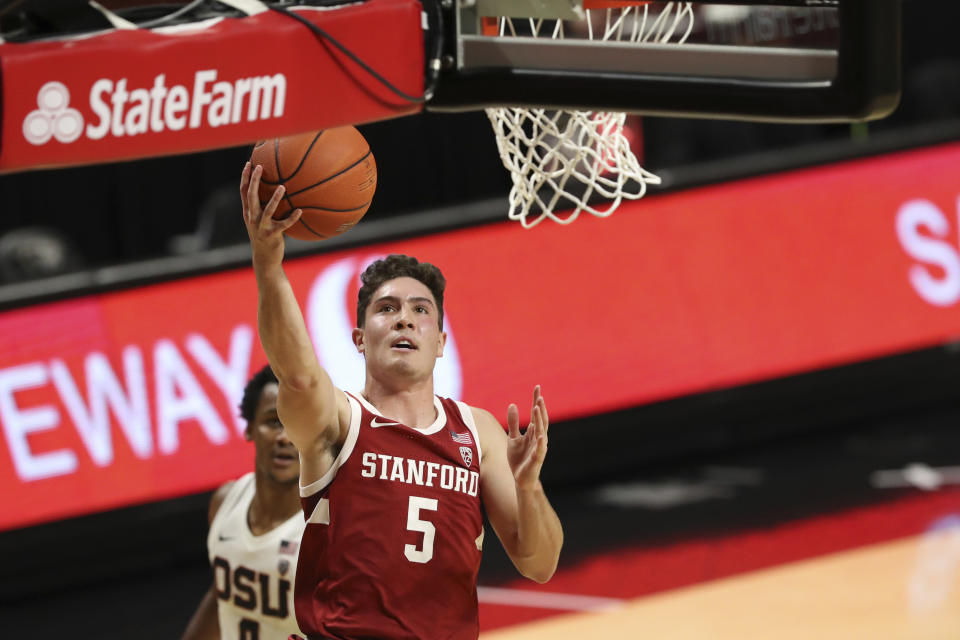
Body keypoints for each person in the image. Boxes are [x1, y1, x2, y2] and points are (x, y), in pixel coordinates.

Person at [240, 161, 564, 640]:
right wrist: (268, 264)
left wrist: (528, 486)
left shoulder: (477, 433)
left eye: (420, 311)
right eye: (386, 309)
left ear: (440, 341)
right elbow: (300, 376)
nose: (404, 320)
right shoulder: (340, 421)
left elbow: (540, 565)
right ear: (358, 337)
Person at [181, 364, 305, 640]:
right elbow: (221, 596)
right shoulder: (225, 501)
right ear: (249, 428)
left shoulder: (330, 522)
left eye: (297, 423)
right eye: (274, 422)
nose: (285, 438)